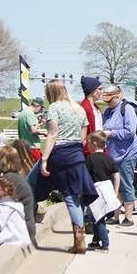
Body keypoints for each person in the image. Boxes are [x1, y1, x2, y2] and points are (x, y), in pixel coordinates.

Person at [36, 78, 98, 253]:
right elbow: (83, 137)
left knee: (68, 196)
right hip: (77, 154)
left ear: (51, 93)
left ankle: (79, 241)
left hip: (60, 154)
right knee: (77, 196)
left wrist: (45, 159)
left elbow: (52, 135)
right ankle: (80, 236)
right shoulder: (78, 108)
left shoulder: (55, 108)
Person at [100, 83, 137, 227]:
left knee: (125, 182)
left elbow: (130, 132)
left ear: (117, 96)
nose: (108, 103)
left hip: (128, 152)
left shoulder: (127, 109)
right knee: (115, 184)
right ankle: (115, 215)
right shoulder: (107, 112)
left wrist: (111, 133)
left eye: (110, 100)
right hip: (114, 153)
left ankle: (129, 217)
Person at [0, 145, 37, 244]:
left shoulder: (6, 180)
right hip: (29, 227)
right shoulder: (19, 177)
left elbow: (0, 209)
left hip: (17, 232)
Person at [84, 132, 119, 251]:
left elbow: (86, 177)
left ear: (94, 144)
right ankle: (95, 240)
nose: (88, 146)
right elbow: (116, 175)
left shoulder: (90, 159)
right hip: (108, 188)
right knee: (97, 216)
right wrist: (116, 190)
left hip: (96, 190)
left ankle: (105, 244)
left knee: (99, 219)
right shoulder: (109, 158)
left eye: (89, 143)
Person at [79, 76, 104, 154]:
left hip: (99, 146)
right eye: (99, 89)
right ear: (92, 90)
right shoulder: (84, 107)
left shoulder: (96, 107)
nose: (101, 91)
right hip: (90, 149)